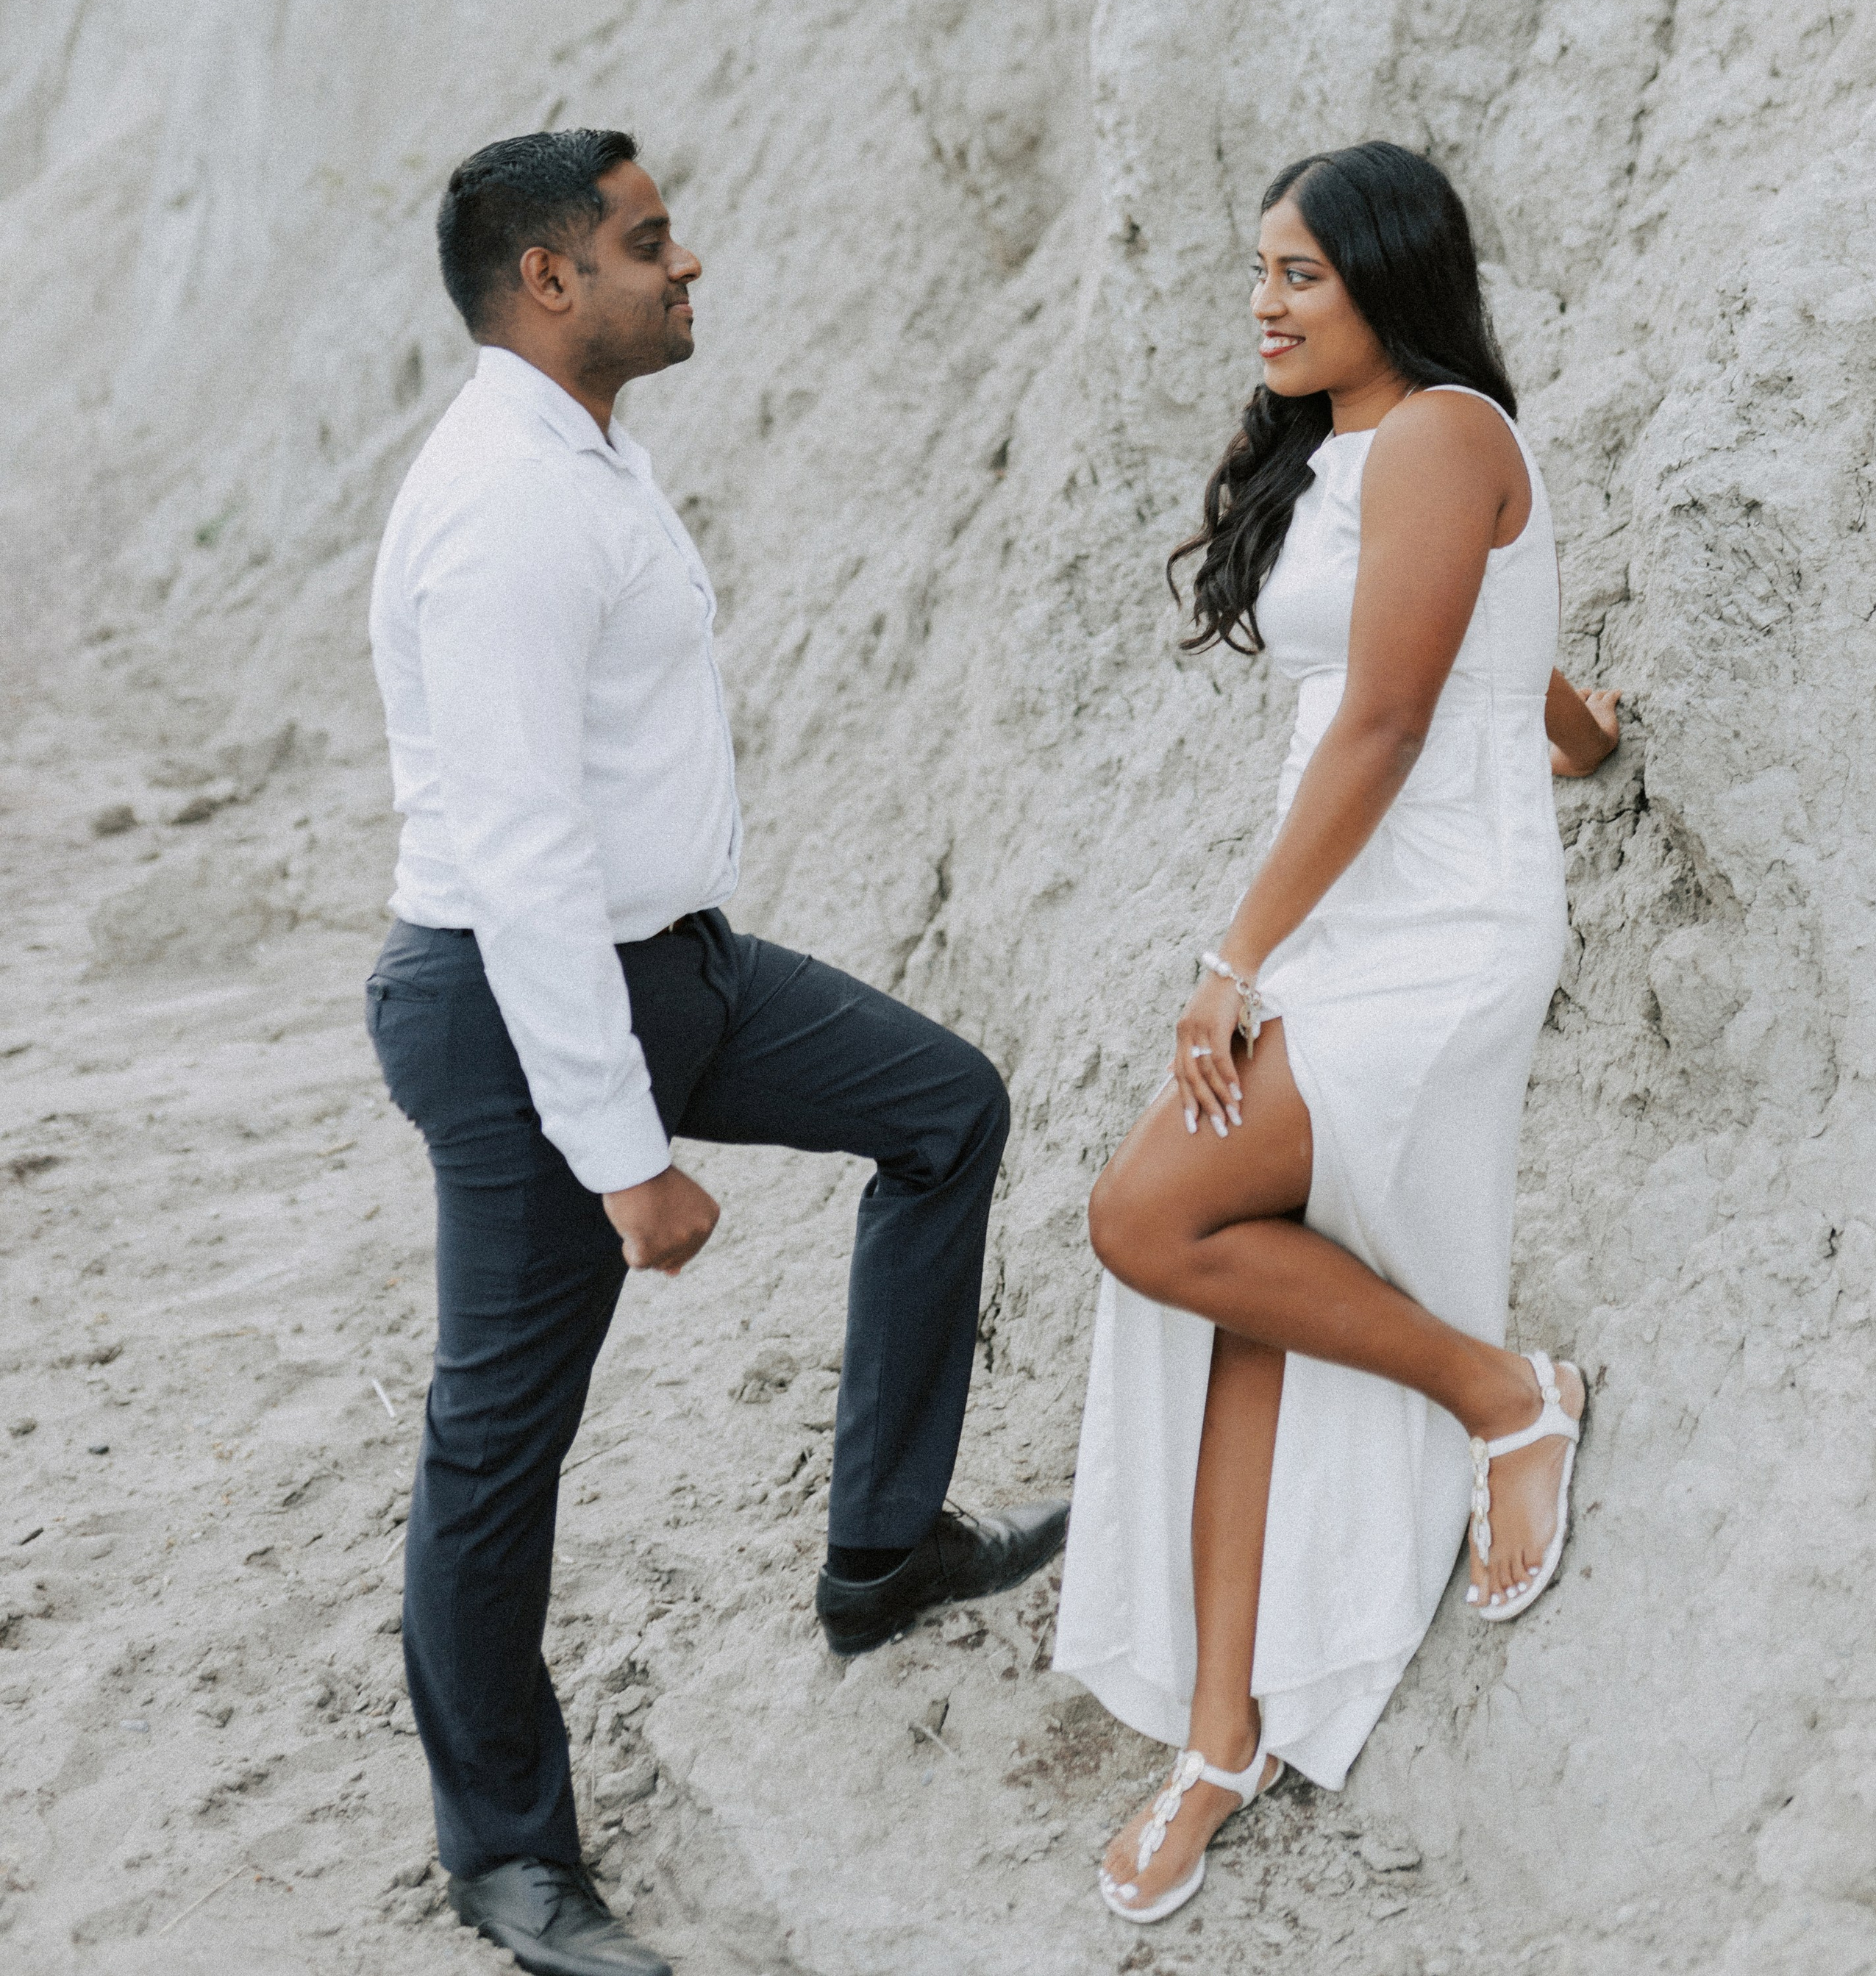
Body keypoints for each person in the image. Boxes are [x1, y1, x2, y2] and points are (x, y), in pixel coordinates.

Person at [365, 127, 1066, 1976]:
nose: (689, 270)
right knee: (497, 1443)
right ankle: (507, 1857)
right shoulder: (504, 504)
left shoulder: (587, 453)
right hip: (521, 1012)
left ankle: (878, 1555)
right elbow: (515, 861)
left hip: (674, 968)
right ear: (546, 280)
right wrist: (624, 1155)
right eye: (650, 243)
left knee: (942, 1106)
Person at [1050, 142, 1621, 1930]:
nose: (1264, 302)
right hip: (1346, 917)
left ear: (1388, 273)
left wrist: (1230, 958)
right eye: (1257, 271)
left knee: (1152, 1222)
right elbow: (1468, 657)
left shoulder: (1447, 430)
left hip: (1427, 926)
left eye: (1299, 271)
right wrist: (1579, 735)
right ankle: (1219, 1733)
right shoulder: (1357, 456)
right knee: (1229, 1291)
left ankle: (1499, 1395)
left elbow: (1380, 721)